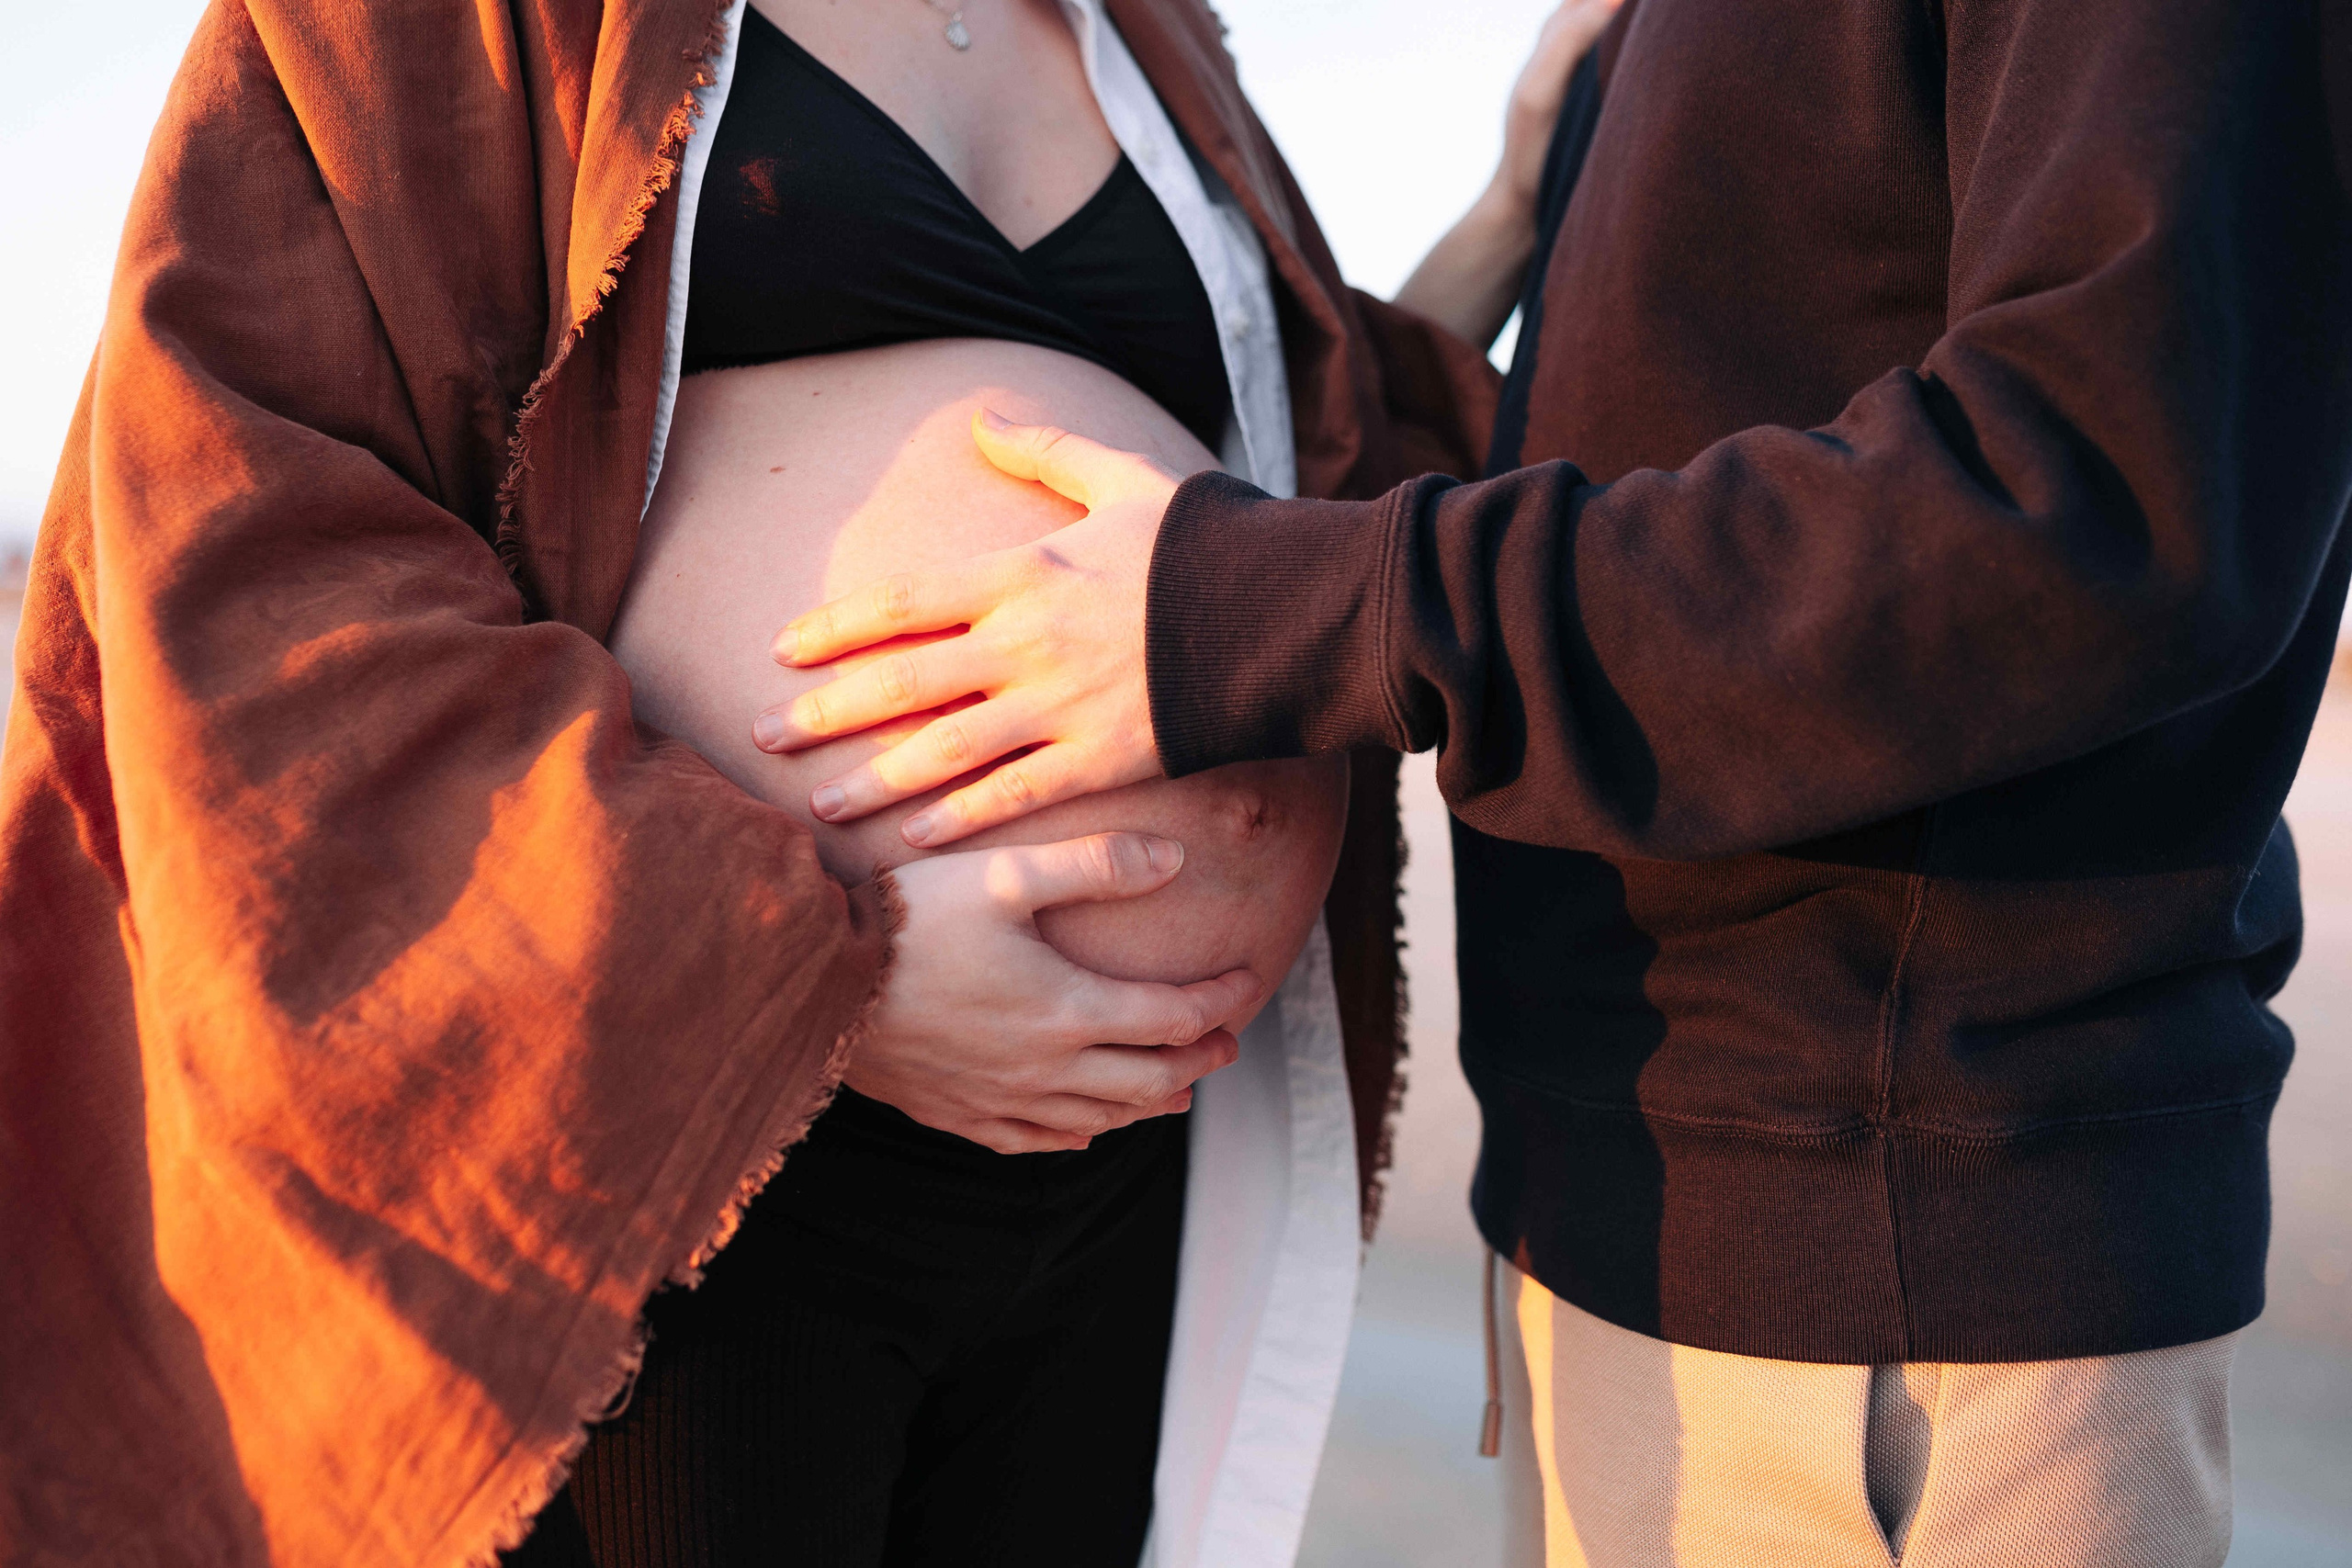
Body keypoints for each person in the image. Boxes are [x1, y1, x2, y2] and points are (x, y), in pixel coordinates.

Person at [759, 0, 2352, 1563]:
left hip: (1892, 1257)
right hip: (1636, 1187)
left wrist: (1255, 613)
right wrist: (1512, 219)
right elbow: (1659, 473)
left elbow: (2110, 495)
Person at [0, 3, 1589, 1567]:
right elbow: (249, 535)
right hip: (695, 1143)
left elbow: (1306, 457)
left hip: (1126, 1159)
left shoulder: (1146, 37)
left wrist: (1511, 210)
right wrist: (815, 973)